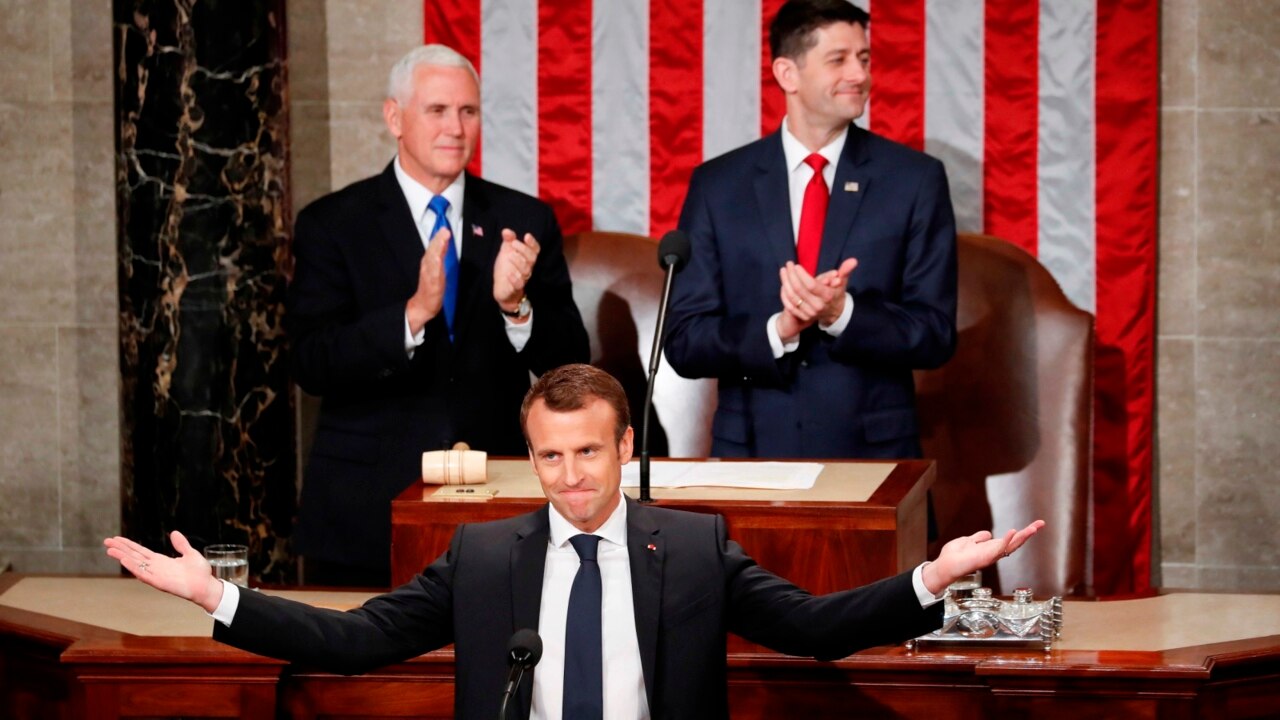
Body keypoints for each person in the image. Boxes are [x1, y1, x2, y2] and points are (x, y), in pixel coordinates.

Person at [105, 364, 1043, 720]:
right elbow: (356, 641)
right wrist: (212, 598)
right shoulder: (481, 556)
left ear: (625, 446)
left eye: (588, 451)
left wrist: (929, 578)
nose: (569, 475)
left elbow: (812, 628)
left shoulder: (692, 546)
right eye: (549, 456)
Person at [288, 45, 589, 585]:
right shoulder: (333, 223)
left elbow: (571, 361)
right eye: (437, 111)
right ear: (394, 118)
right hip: (367, 510)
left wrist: (515, 306)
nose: (456, 127)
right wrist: (411, 315)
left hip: (498, 499)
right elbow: (311, 361)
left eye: (468, 111)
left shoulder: (523, 220)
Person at [665, 0, 957, 460]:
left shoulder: (914, 180)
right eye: (838, 60)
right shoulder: (719, 186)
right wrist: (777, 329)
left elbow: (935, 332)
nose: (859, 75)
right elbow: (685, 341)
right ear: (788, 74)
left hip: (875, 460)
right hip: (753, 456)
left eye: (863, 59)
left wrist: (842, 313)